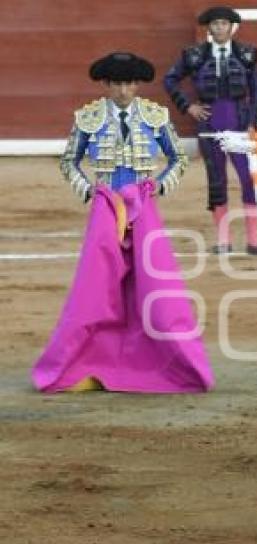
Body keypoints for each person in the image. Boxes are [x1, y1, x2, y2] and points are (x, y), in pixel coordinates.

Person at [32, 52, 214, 394]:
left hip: (143, 210)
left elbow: (178, 159)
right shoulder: (89, 118)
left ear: (138, 84)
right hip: (105, 213)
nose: (124, 90)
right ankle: (93, 358)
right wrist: (89, 191)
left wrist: (158, 185)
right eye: (117, 83)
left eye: (129, 83)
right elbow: (69, 161)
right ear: (106, 85)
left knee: (152, 286)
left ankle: (156, 357)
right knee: (99, 287)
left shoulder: (154, 116)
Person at [163, 5, 257, 256]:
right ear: (209, 28)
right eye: (215, 24)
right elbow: (169, 80)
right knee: (217, 180)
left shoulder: (247, 55)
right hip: (209, 123)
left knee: (247, 179)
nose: (220, 28)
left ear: (231, 27)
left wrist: (253, 123)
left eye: (224, 23)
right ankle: (224, 240)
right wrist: (188, 107)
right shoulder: (195, 55)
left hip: (239, 122)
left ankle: (254, 240)